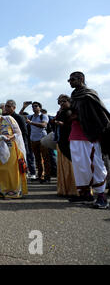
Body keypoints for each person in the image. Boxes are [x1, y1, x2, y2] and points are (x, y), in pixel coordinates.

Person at [68, 71, 109, 209]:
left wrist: (77, 116)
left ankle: (102, 197)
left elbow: (99, 116)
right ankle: (86, 194)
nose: (70, 82)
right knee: (80, 167)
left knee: (96, 165)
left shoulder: (89, 94)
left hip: (89, 136)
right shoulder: (74, 95)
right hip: (75, 135)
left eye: (72, 79)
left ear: (81, 79)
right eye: (69, 80)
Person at [0, 107, 28, 199]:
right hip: (0, 151)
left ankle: (14, 191)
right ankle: (1, 190)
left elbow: (18, 132)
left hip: (12, 148)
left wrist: (10, 137)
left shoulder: (9, 119)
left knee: (11, 170)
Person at [3, 100, 36, 180]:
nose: (6, 108)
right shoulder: (5, 118)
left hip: (20, 141)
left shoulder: (19, 117)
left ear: (14, 108)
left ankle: (29, 174)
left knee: (23, 159)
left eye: (8, 106)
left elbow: (24, 132)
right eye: (6, 106)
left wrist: (22, 142)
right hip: (10, 143)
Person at [21, 101, 51, 183]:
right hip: (33, 140)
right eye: (33, 106)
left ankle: (47, 177)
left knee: (45, 158)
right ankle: (40, 176)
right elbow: (20, 116)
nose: (34, 107)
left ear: (40, 108)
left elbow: (44, 125)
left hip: (42, 139)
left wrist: (31, 123)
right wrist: (24, 107)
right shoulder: (30, 116)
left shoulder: (43, 116)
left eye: (36, 106)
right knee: (37, 159)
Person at [53, 94, 78, 197]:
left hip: (70, 143)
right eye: (59, 102)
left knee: (71, 167)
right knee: (63, 167)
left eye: (63, 101)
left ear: (69, 101)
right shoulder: (61, 112)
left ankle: (75, 190)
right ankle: (64, 189)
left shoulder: (72, 112)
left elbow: (74, 127)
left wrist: (63, 124)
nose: (61, 103)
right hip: (61, 142)